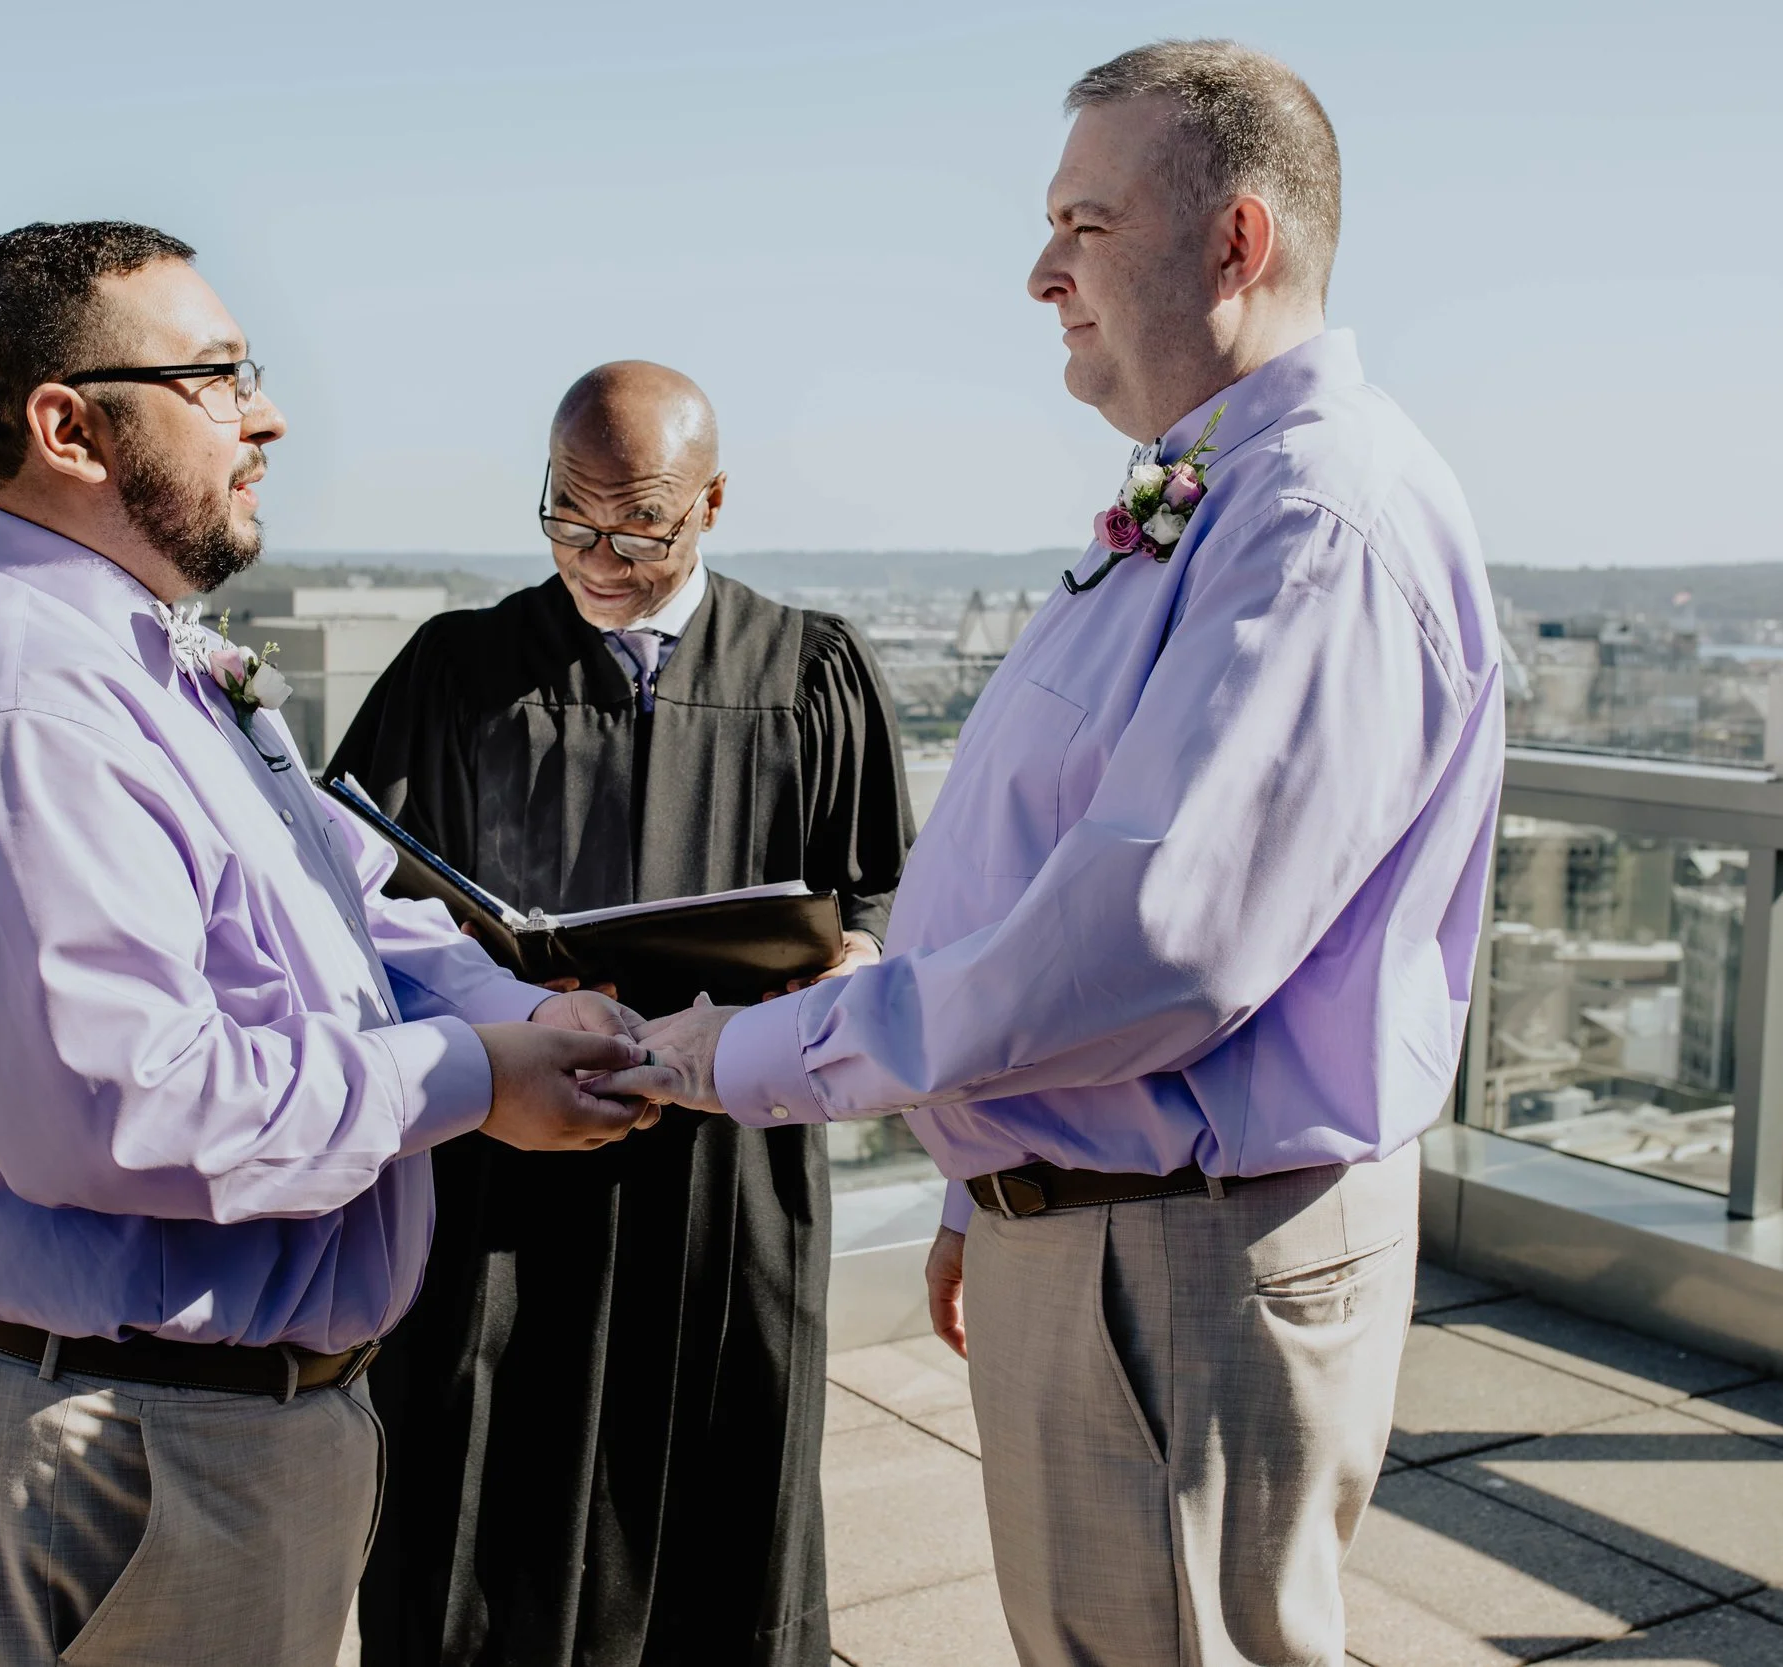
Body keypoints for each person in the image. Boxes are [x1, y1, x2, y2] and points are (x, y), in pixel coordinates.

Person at [608, 41, 1503, 1667]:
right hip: (1099, 1212)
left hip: (1175, 1242)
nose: (1041, 274)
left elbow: (1148, 945)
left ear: (1235, 244)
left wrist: (752, 1054)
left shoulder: (1314, 524)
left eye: (1083, 226)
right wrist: (981, 1170)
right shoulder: (1217, 490)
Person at [0, 221, 655, 1667]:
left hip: (176, 1434)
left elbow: (348, 904)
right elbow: (124, 1107)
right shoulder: (19, 701)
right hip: (112, 1454)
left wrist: (528, 1017)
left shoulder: (122, 646)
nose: (265, 412)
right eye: (212, 376)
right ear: (68, 425)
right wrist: (473, 1076)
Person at [329, 361, 912, 1667]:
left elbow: (880, 875)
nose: (596, 555)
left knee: (729, 1484)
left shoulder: (809, 669)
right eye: (566, 518)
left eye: (637, 526)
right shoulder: (458, 669)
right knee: (486, 1501)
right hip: (509, 1177)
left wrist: (859, 948)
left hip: (733, 1169)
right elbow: (345, 883)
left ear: (712, 503)